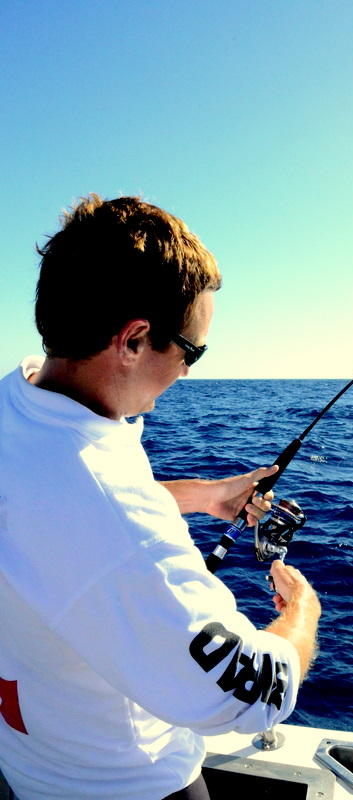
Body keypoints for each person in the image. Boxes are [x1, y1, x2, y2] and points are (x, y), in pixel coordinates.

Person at [0, 195, 321, 800]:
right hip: (132, 786)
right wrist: (302, 613)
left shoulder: (16, 408)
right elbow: (254, 693)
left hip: (28, 767)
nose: (189, 372)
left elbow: (58, 514)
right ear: (134, 340)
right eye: (191, 351)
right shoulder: (116, 520)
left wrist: (202, 497)